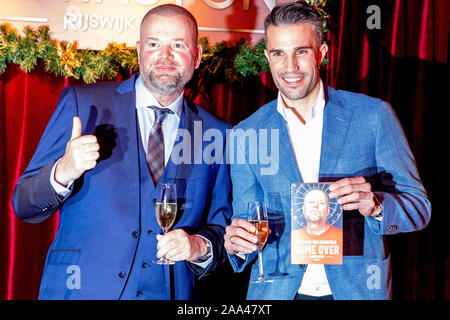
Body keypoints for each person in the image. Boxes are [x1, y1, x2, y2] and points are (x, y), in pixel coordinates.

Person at [12, 4, 232, 300]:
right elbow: (23, 204)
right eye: (154, 44)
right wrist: (63, 172)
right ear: (139, 50)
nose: (165, 56)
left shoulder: (218, 132)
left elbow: (222, 225)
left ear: (197, 56)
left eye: (178, 45)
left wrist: (199, 246)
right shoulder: (83, 103)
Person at [224, 2, 431, 300]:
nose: (290, 66)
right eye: (279, 53)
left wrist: (376, 206)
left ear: (322, 53)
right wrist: (236, 242)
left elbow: (419, 208)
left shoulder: (373, 116)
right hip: (279, 292)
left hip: (358, 291)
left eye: (302, 51)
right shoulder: (247, 132)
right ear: (268, 57)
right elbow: (246, 218)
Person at [291, 188, 343, 265]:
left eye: (321, 203)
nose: (315, 206)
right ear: (303, 209)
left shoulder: (341, 236)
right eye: (311, 202)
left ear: (328, 211)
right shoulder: (293, 236)